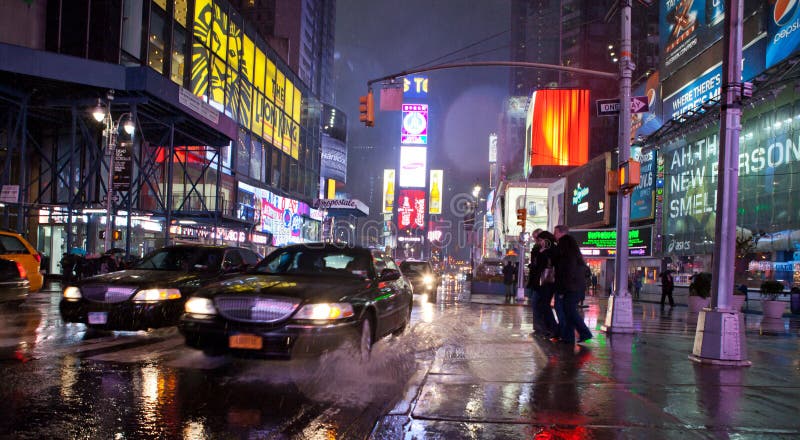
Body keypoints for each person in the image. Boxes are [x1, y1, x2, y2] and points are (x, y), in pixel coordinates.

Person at [552, 225, 593, 345]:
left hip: (570, 286)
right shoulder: (571, 245)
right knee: (568, 310)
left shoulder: (564, 245)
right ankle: (569, 337)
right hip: (575, 286)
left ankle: (584, 332)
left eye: (555, 233)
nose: (554, 235)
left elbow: (565, 269)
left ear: (560, 233)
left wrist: (562, 287)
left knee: (569, 310)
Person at [528, 230, 559, 338]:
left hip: (546, 283)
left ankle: (551, 329)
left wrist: (542, 253)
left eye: (539, 239)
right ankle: (547, 328)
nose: (538, 241)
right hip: (541, 283)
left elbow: (543, 265)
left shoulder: (550, 249)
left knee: (543, 305)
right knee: (540, 305)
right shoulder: (540, 249)